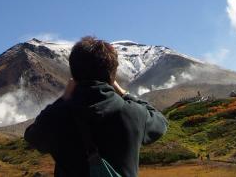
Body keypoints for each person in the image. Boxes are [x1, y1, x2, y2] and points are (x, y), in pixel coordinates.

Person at [24, 36, 168, 177]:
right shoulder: (133, 113)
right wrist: (124, 93)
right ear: (112, 75)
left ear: (73, 75)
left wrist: (63, 99)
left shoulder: (55, 118)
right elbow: (161, 122)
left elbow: (32, 136)